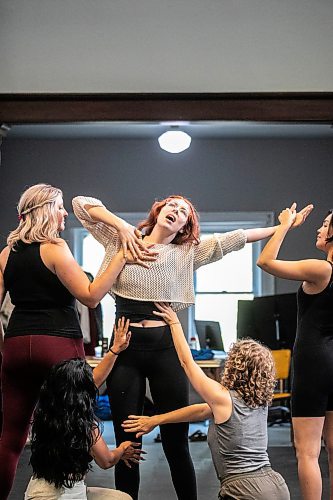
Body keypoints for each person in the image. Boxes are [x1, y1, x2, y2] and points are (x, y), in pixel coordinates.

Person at [72, 194, 311, 500]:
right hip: (126, 350)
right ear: (159, 210)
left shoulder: (187, 252)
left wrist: (283, 227)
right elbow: (81, 205)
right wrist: (121, 226)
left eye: (184, 211)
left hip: (164, 350)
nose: (177, 210)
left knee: (176, 443)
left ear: (186, 225)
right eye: (172, 204)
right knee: (128, 442)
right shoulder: (121, 239)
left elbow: (237, 238)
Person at [0, 183, 154, 500]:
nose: (64, 212)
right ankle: (82, 478)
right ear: (43, 210)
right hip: (55, 343)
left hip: (15, 346)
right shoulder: (54, 248)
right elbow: (92, 296)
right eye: (59, 206)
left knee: (10, 438)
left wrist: (4, 350)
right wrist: (122, 257)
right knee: (76, 413)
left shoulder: (6, 254)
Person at [123, 302, 290, 499]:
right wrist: (155, 420)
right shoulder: (257, 402)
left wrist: (175, 323)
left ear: (234, 365)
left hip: (245, 490)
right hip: (276, 485)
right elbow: (200, 411)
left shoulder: (222, 398)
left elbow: (187, 363)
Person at [257, 203, 333, 500]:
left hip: (314, 361)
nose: (319, 228)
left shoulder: (321, 269)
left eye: (326, 225)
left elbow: (265, 261)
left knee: (307, 452)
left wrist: (285, 225)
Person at [25, 356, 144, 500]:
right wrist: (122, 449)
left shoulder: (44, 416)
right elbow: (107, 461)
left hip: (36, 491)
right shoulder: (85, 425)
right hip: (65, 494)